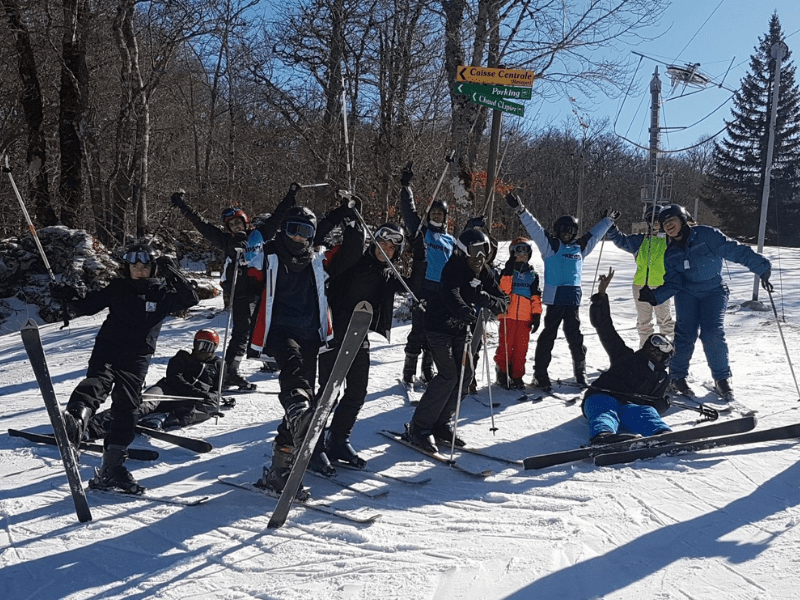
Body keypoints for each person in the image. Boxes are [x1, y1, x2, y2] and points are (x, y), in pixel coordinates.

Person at [52, 242, 199, 493]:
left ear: (153, 269)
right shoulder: (117, 288)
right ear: (127, 267)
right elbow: (87, 306)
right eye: (134, 266)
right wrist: (67, 294)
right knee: (99, 381)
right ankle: (77, 417)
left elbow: (190, 298)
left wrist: (172, 272)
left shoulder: (163, 293)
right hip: (109, 348)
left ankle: (113, 468)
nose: (139, 271)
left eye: (144, 266)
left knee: (127, 407)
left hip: (138, 357)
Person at [318, 203, 426, 469]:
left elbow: (413, 287)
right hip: (333, 333)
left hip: (359, 337)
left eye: (392, 248)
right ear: (373, 241)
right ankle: (315, 443)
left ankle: (338, 439)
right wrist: (353, 217)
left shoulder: (387, 274)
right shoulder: (352, 260)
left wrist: (421, 254)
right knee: (328, 392)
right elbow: (353, 246)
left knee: (357, 391)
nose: (385, 249)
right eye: (382, 242)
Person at [638, 203, 772, 401]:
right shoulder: (671, 252)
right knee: (684, 334)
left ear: (683, 220)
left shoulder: (706, 235)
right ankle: (677, 377)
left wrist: (760, 266)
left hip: (713, 291)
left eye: (671, 220)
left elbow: (733, 250)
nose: (668, 225)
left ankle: (722, 379)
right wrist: (655, 296)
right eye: (664, 223)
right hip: (686, 294)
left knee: (712, 333)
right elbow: (674, 283)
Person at [171, 186, 297, 389]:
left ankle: (270, 359)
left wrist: (290, 196)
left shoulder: (260, 234)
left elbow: (277, 216)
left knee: (270, 324)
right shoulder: (226, 241)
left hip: (264, 288)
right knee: (242, 330)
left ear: (246, 222)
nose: (236, 227)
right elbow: (201, 225)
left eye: (238, 222)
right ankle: (230, 371)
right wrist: (182, 206)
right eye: (231, 225)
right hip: (240, 289)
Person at [245, 206, 332, 496]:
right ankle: (297, 409)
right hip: (280, 329)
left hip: (311, 332)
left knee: (306, 397)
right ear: (284, 229)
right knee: (294, 374)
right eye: (293, 229)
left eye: (305, 232)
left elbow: (351, 254)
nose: (297, 237)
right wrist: (243, 263)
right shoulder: (269, 254)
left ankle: (281, 468)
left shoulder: (316, 258)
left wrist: (349, 217)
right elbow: (250, 276)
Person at [403, 229, 508, 453]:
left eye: (484, 251)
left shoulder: (485, 272)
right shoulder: (453, 268)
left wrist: (486, 298)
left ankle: (441, 422)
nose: (479, 257)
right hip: (438, 327)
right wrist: (463, 309)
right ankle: (419, 427)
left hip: (462, 330)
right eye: (474, 251)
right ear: (462, 252)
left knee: (466, 376)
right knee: (448, 374)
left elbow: (503, 302)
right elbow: (451, 294)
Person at [505, 193, 616, 390]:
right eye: (564, 230)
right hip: (555, 300)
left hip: (572, 300)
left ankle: (580, 372)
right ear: (557, 231)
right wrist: (521, 210)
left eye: (571, 231)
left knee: (575, 337)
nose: (567, 233)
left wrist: (608, 220)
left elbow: (594, 234)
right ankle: (540, 373)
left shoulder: (579, 248)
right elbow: (536, 228)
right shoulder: (551, 246)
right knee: (549, 336)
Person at [581, 268, 673, 443]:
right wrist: (601, 296)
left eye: (660, 351)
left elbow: (650, 403)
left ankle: (662, 435)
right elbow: (605, 328)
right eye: (652, 347)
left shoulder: (662, 378)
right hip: (601, 396)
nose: (655, 352)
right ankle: (603, 436)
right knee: (605, 410)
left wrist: (660, 405)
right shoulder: (625, 356)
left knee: (645, 412)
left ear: (666, 358)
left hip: (630, 407)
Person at [85, 329, 226, 438]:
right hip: (166, 391)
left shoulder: (218, 365)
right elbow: (174, 379)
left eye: (206, 347)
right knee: (140, 404)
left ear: (214, 348)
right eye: (199, 345)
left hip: (188, 401)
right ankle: (93, 427)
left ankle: (164, 419)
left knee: (212, 406)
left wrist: (212, 396)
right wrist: (199, 392)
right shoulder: (182, 357)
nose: (201, 350)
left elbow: (217, 388)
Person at [399, 161, 454, 386]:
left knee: (435, 331)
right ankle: (409, 369)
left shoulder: (451, 240)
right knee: (418, 330)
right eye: (435, 213)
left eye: (442, 214)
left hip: (441, 291)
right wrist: (406, 187)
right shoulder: (422, 232)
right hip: (423, 286)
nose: (438, 216)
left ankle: (427, 369)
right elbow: (408, 212)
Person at [606, 204, 675, 347]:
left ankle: (673, 349)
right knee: (644, 322)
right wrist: (610, 226)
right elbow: (621, 241)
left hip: (661, 286)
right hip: (640, 286)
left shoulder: (671, 241)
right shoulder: (640, 240)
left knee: (665, 321)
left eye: (658, 220)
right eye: (652, 220)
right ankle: (646, 351)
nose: (655, 223)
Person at [494, 238, 542, 389]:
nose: (522, 256)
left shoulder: (532, 275)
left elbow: (535, 296)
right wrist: (508, 272)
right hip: (508, 315)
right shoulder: (507, 272)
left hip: (524, 318)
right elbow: (503, 292)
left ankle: (517, 375)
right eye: (518, 253)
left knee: (521, 348)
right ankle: (502, 371)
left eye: (525, 254)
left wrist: (536, 315)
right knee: (505, 347)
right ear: (512, 254)